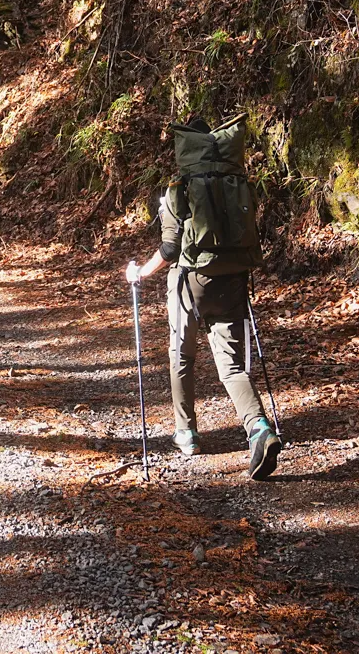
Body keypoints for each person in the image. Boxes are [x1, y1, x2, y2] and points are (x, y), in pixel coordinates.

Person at [125, 114, 282, 479]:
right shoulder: (237, 181)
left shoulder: (178, 187)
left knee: (182, 353)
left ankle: (186, 433)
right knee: (230, 363)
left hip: (190, 282)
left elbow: (169, 249)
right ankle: (259, 428)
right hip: (234, 278)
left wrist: (140, 273)